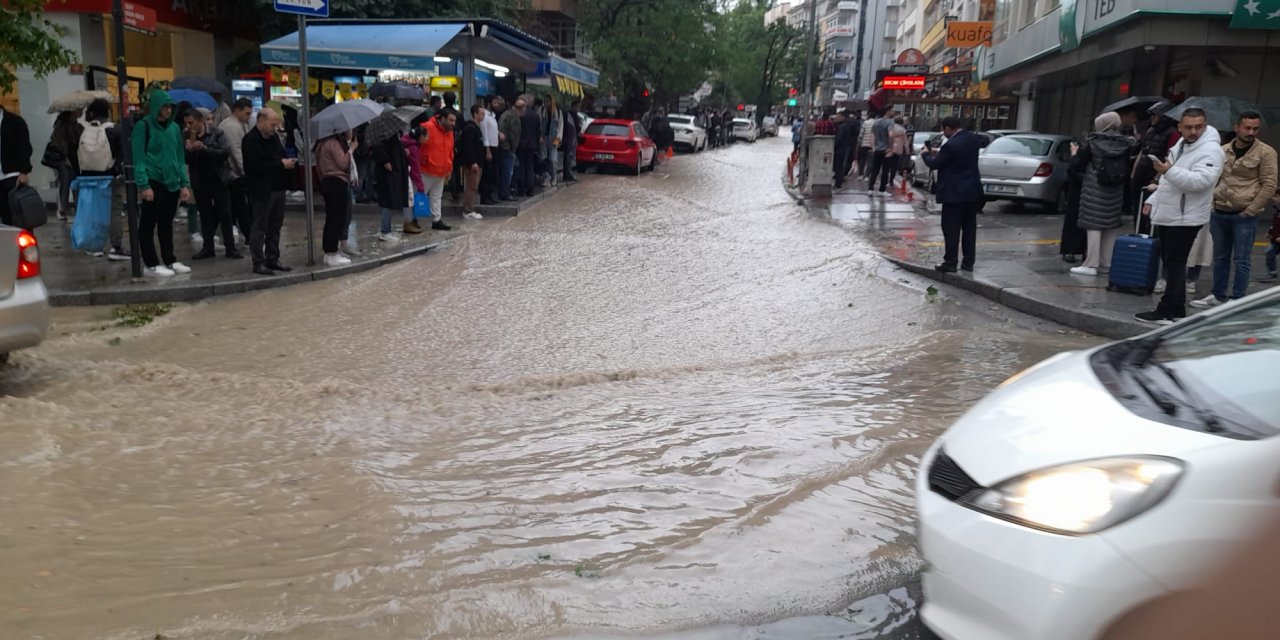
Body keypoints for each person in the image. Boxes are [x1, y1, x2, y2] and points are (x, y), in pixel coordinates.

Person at [1136, 108, 1224, 324]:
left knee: (1175, 263)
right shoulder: (1181, 145)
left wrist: (1168, 171)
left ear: (1205, 125)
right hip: (1172, 212)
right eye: (1189, 127)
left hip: (1186, 216)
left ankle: (1167, 310)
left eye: (1198, 126)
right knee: (1173, 262)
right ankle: (1176, 309)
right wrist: (1153, 199)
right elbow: (1169, 181)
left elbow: (1200, 182)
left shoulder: (1211, 150)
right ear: (1180, 127)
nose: (1194, 131)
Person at [1190, 111, 1277, 308]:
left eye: (1255, 128)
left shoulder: (1265, 152)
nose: (1251, 132)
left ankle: (1237, 300)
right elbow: (1213, 177)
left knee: (1242, 260)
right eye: (1247, 128)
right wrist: (1212, 204)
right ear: (1237, 128)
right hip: (1220, 211)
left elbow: (1269, 185)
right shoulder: (1223, 150)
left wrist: (1251, 210)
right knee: (1220, 257)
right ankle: (1217, 295)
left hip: (1244, 214)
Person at [131, 89, 193, 278]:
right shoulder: (143, 126)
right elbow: (138, 157)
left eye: (170, 106)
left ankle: (170, 259)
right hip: (153, 179)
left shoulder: (174, 128)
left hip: (172, 180)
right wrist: (144, 184)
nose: (168, 110)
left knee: (166, 223)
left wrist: (184, 183)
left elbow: (179, 157)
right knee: (148, 223)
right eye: (165, 106)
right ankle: (151, 263)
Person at [1068, 111, 1138, 277]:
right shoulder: (1125, 143)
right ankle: (1107, 262)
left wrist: (1073, 154)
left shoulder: (1094, 143)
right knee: (1110, 225)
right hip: (1116, 188)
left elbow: (1078, 165)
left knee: (1093, 224)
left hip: (1094, 188)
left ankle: (1091, 264)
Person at [922, 117, 983, 273]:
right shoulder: (972, 139)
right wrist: (940, 152)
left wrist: (925, 155)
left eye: (944, 130)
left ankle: (950, 262)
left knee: (951, 228)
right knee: (969, 228)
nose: (944, 133)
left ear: (948, 128)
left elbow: (934, 164)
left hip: (954, 193)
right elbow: (957, 157)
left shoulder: (950, 145)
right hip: (972, 192)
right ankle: (968, 263)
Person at [241, 107, 297, 276]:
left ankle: (273, 258)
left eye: (276, 124)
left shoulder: (273, 138)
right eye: (272, 124)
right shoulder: (250, 140)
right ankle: (258, 262)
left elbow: (279, 155)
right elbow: (254, 167)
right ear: (260, 121)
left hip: (278, 187)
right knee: (260, 227)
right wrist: (280, 164)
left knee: (275, 226)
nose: (275, 128)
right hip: (261, 190)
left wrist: (286, 163)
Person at [182, 108, 240, 260]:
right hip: (200, 180)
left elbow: (225, 152)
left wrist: (205, 149)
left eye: (191, 122)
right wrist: (187, 150)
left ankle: (230, 247)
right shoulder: (186, 135)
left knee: (225, 213)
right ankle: (208, 247)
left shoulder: (217, 133)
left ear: (200, 120)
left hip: (218, 178)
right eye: (187, 123)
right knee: (205, 215)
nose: (189, 126)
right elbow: (184, 159)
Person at [74, 98, 128, 260]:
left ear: (91, 113)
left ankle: (94, 245)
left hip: (87, 179)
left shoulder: (82, 131)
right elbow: (123, 155)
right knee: (114, 212)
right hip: (109, 177)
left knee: (92, 212)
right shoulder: (115, 130)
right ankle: (116, 247)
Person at [316, 130, 356, 266]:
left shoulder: (322, 144)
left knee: (331, 218)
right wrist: (351, 149)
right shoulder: (332, 143)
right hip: (336, 182)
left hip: (327, 183)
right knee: (336, 218)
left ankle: (329, 251)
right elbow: (343, 163)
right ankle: (332, 252)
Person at [218, 98, 254, 245]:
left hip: (233, 171)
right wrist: (245, 171)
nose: (248, 116)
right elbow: (236, 151)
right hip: (233, 173)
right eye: (247, 113)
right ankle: (247, 234)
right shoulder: (232, 126)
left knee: (236, 206)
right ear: (238, 110)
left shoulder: (237, 124)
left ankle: (242, 233)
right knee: (240, 206)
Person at [372, 117, 412, 241]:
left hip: (395, 171)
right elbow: (378, 149)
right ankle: (385, 230)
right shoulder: (383, 136)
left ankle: (387, 228)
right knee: (387, 201)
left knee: (390, 200)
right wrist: (385, 161)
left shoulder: (394, 136)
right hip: (388, 173)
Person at [422, 108, 460, 228]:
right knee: (419, 195)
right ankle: (411, 220)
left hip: (440, 170)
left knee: (436, 197)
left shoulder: (449, 132)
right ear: (442, 118)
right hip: (426, 170)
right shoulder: (427, 127)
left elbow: (450, 152)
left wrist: (449, 168)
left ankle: (436, 219)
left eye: (454, 121)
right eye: (451, 120)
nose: (453, 123)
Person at [0, 105, 33, 228]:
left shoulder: (14, 121)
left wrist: (24, 171)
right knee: (5, 218)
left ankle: (26, 245)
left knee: (21, 215)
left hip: (12, 176)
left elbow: (24, 147)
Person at [50, 110, 83, 221]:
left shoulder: (76, 125)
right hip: (63, 160)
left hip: (74, 158)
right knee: (64, 182)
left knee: (73, 182)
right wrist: (65, 156)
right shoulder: (61, 125)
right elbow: (58, 142)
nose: (81, 111)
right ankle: (62, 209)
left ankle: (75, 207)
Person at [1060, 139, 1088, 263]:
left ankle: (1071, 250)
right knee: (1078, 220)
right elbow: (1073, 170)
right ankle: (1078, 251)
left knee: (1075, 220)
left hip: (1081, 189)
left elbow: (1073, 169)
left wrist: (1074, 154)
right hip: (1083, 190)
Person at [458, 105, 487, 220]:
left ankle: (470, 208)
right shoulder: (470, 128)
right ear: (475, 114)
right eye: (481, 113)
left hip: (478, 163)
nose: (483, 116)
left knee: (473, 186)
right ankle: (468, 210)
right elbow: (468, 147)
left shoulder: (476, 127)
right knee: (471, 186)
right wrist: (473, 162)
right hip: (472, 164)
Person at [517, 94, 542, 197]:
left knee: (521, 166)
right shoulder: (535, 115)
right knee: (530, 167)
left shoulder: (520, 114)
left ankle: (521, 189)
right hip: (532, 145)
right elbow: (538, 131)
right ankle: (530, 190)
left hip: (521, 144)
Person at [497, 97, 522, 201]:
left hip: (502, 146)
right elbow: (513, 135)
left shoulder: (505, 114)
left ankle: (503, 191)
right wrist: (514, 147)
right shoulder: (513, 117)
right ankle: (505, 193)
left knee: (505, 171)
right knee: (508, 171)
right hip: (508, 148)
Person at [867, 109, 897, 193]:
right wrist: (890, 147)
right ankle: (882, 189)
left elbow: (872, 135)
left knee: (874, 170)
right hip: (885, 150)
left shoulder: (876, 122)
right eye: (892, 111)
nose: (893, 112)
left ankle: (870, 188)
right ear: (887, 111)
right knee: (885, 170)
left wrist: (873, 147)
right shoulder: (890, 122)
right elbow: (891, 135)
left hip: (877, 149)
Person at [481, 96, 502, 204]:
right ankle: (485, 196)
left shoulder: (493, 116)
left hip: (495, 146)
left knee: (493, 173)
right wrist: (487, 150)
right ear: (489, 104)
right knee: (487, 173)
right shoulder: (484, 116)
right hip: (489, 148)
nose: (497, 105)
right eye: (495, 103)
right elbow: (485, 134)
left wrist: (499, 134)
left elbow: (493, 131)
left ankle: (490, 194)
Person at [541, 94, 562, 187]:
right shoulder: (541, 111)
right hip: (543, 137)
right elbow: (538, 123)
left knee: (553, 159)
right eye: (545, 101)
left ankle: (554, 177)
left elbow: (560, 126)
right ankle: (546, 177)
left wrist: (558, 139)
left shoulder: (558, 112)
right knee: (543, 159)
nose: (546, 103)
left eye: (548, 101)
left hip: (554, 138)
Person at [833, 112, 857, 189]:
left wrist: (834, 146)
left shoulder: (842, 127)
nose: (837, 118)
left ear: (843, 117)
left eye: (839, 116)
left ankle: (838, 183)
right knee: (840, 166)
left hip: (840, 149)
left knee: (839, 167)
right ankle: (838, 182)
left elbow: (839, 139)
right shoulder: (844, 126)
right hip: (844, 148)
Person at [886, 116, 909, 189]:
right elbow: (905, 142)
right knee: (894, 166)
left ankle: (885, 180)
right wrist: (907, 151)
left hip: (889, 148)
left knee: (886, 165)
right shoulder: (903, 130)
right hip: (898, 149)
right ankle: (891, 181)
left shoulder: (890, 128)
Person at [562, 100, 581, 183]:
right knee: (568, 156)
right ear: (574, 106)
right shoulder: (570, 115)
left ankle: (567, 174)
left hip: (571, 139)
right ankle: (568, 174)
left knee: (569, 156)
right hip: (569, 139)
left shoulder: (573, 115)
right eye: (578, 106)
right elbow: (576, 127)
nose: (579, 108)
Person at [857, 111, 875, 177]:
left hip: (864, 144)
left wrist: (859, 142)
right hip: (872, 145)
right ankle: (867, 176)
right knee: (870, 161)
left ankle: (860, 174)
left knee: (862, 160)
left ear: (869, 116)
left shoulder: (865, 122)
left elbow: (861, 134)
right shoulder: (876, 123)